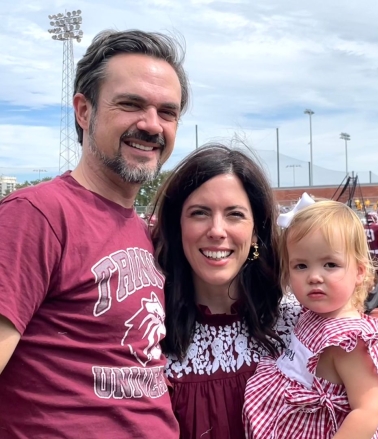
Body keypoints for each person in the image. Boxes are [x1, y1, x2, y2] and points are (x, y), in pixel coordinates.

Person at [0, 30, 188, 437]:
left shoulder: (143, 231)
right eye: (131, 104)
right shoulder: (35, 215)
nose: (151, 125)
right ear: (84, 112)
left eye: (167, 112)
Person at [151, 144, 300, 438]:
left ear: (256, 231)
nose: (217, 230)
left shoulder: (298, 325)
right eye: (199, 213)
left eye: (234, 214)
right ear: (177, 225)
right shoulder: (149, 333)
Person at [243, 200, 378, 438]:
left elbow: (369, 410)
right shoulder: (311, 314)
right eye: (301, 266)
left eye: (330, 264)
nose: (314, 277)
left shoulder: (348, 341)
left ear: (359, 271)